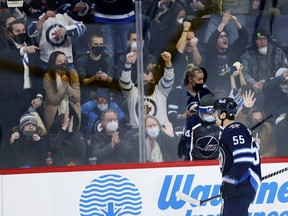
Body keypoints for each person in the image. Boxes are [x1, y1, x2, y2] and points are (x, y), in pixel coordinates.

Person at [213, 97, 262, 216]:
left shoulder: (234, 130)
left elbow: (244, 159)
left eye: (215, 112)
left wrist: (230, 180)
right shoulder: (236, 129)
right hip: (242, 183)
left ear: (223, 114)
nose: (213, 115)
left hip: (242, 183)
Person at [0, 19, 44, 144]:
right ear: (10, 34)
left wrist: (39, 96)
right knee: (12, 135)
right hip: (11, 100)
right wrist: (22, 50)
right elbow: (5, 56)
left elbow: (38, 76)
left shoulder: (33, 47)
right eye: (17, 31)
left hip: (31, 98)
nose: (21, 33)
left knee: (33, 135)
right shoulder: (5, 46)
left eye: (23, 30)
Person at [119, 51, 174, 128]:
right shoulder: (132, 93)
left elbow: (169, 79)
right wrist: (128, 63)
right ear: (137, 82)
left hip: (161, 132)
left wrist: (168, 62)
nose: (149, 83)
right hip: (138, 134)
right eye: (144, 81)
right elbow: (125, 82)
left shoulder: (161, 91)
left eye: (151, 81)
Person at [27, 0, 86, 69]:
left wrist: (66, 30)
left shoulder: (66, 14)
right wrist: (43, 18)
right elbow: (30, 32)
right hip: (46, 62)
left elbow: (82, 28)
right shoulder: (38, 15)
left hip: (67, 61)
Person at [205, 10, 248, 97]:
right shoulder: (211, 52)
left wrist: (236, 22)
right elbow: (211, 40)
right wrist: (223, 23)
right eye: (221, 37)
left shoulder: (234, 50)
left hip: (232, 89)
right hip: (214, 90)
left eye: (225, 36)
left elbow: (244, 37)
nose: (224, 38)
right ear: (216, 41)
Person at [240, 28, 288, 95]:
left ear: (268, 40)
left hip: (276, 84)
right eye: (259, 39)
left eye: (264, 39)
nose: (262, 42)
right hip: (258, 86)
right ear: (255, 41)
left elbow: (286, 68)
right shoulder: (248, 54)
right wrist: (253, 83)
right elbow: (244, 72)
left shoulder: (278, 52)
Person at [75, 31, 118, 104]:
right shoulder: (81, 60)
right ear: (89, 45)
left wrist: (107, 78)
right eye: (96, 44)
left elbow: (111, 79)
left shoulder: (108, 59)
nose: (98, 46)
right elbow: (83, 82)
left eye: (101, 44)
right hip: (88, 94)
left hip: (105, 94)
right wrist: (94, 78)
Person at [43, 51, 81, 131]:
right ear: (53, 63)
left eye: (65, 60)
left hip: (71, 108)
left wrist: (69, 88)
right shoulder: (48, 77)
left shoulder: (73, 73)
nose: (64, 63)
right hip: (55, 112)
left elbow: (77, 98)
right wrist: (63, 89)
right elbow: (54, 101)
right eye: (60, 61)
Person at [167, 64, 212, 133]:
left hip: (203, 129)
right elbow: (171, 116)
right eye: (198, 79)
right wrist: (184, 116)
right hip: (182, 129)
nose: (202, 82)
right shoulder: (176, 92)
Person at [179, 94, 220, 160]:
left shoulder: (219, 121)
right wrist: (191, 166)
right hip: (196, 162)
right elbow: (188, 148)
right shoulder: (192, 122)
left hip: (215, 162)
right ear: (200, 111)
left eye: (211, 113)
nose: (209, 115)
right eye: (206, 113)